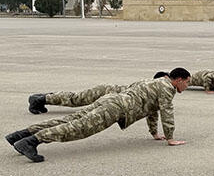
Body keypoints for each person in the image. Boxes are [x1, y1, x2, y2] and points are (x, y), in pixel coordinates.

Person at [6, 68, 191, 163]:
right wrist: (171, 138)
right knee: (79, 128)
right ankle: (31, 142)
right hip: (116, 108)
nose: (187, 86)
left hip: (110, 100)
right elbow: (166, 111)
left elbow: (153, 111)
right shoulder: (167, 89)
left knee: (70, 120)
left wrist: (154, 133)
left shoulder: (154, 82)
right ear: (179, 80)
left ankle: (21, 134)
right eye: (187, 83)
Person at [27, 71, 169, 114]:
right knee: (76, 100)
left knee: (75, 98)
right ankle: (40, 99)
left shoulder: (150, 87)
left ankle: (42, 98)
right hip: (105, 91)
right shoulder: (152, 87)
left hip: (109, 92)